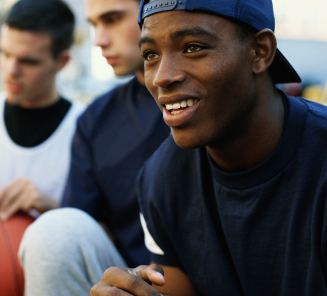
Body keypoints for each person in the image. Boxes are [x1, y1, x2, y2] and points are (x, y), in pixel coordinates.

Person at [90, 0, 327, 295]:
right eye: (150, 54)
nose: (163, 76)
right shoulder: (160, 177)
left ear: (260, 52)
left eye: (193, 47)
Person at [17, 0, 170, 295]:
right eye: (93, 25)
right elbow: (76, 227)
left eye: (112, 19)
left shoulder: (217, 97)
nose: (98, 40)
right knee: (55, 232)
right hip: (129, 282)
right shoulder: (95, 120)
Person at [0, 0, 85, 225]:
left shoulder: (89, 129)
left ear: (62, 61)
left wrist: (52, 208)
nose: (11, 70)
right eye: (5, 53)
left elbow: (112, 233)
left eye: (28, 61)